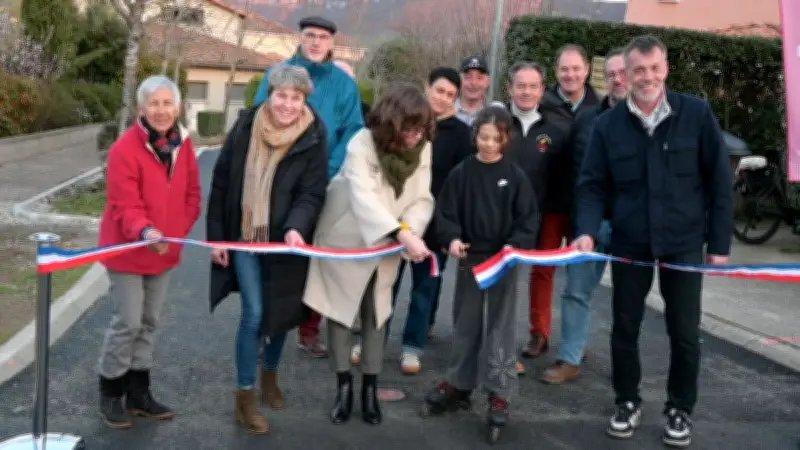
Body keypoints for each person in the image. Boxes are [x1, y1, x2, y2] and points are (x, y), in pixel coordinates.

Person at [574, 35, 733, 448]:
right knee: (625, 327)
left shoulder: (696, 114)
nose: (647, 77)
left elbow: (719, 183)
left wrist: (718, 244)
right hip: (630, 243)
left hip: (682, 242)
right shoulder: (607, 125)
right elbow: (591, 185)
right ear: (626, 73)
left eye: (655, 68)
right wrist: (587, 230)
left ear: (666, 69)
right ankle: (626, 401)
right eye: (638, 69)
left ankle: (680, 409)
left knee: (684, 331)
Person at [303, 83, 435, 426]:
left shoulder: (424, 149)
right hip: (346, 236)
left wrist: (411, 230)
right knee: (341, 314)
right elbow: (362, 196)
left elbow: (422, 198)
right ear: (392, 122)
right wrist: (401, 233)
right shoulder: (362, 142)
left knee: (377, 314)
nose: (415, 135)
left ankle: (370, 390)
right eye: (409, 128)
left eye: (421, 128)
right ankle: (343, 386)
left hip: (390, 240)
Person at [206, 65, 329, 435]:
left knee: (282, 313)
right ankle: (245, 396)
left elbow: (312, 191)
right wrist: (216, 238)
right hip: (245, 235)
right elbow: (223, 180)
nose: (287, 105)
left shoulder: (314, 135)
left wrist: (296, 227)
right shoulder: (246, 126)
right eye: (281, 96)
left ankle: (270, 377)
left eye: (295, 97)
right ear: (270, 94)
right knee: (255, 313)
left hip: (286, 243)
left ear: (304, 98)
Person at [421, 106, 538, 436]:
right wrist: (453, 237)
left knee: (500, 325)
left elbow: (528, 217)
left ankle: (499, 390)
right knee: (466, 321)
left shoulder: (515, 176)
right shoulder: (462, 173)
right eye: (482, 137)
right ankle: (459, 382)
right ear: (475, 137)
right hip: (471, 259)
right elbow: (447, 211)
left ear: (506, 140)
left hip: (503, 261)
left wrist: (515, 245)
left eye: (495, 139)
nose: (488, 144)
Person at [350, 67, 474, 375]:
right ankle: (371, 339)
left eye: (450, 95)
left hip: (432, 224)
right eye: (439, 91)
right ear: (426, 87)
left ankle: (412, 348)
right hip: (391, 223)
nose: (443, 99)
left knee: (425, 290)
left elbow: (456, 185)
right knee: (383, 285)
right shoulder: (378, 135)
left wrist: (446, 227)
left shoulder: (459, 134)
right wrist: (400, 231)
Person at [254, 16, 364, 358]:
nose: (316, 42)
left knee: (316, 256)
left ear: (332, 42)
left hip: (325, 184)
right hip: (277, 181)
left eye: (323, 38)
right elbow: (258, 118)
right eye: (310, 36)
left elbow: (354, 132)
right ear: (300, 38)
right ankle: (262, 327)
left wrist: (326, 172)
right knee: (272, 253)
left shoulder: (344, 85)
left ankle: (309, 330)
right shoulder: (278, 74)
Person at [96, 75, 201, 429]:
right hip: (128, 249)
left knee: (150, 322)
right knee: (128, 321)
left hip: (163, 251)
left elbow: (192, 197)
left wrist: (176, 233)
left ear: (178, 107)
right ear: (142, 108)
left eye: (167, 103)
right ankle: (111, 392)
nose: (160, 110)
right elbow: (125, 206)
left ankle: (139, 394)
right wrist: (147, 231)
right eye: (153, 104)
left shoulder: (183, 145)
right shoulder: (124, 150)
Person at [540, 48, 629, 385]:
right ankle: (571, 357)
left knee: (627, 299)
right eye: (612, 75)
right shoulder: (588, 119)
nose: (618, 80)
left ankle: (625, 363)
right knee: (575, 292)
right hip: (588, 226)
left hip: (629, 228)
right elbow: (572, 170)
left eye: (625, 73)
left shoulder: (648, 122)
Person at [523, 44, 600, 360]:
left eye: (576, 68)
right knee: (544, 270)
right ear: (556, 73)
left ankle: (575, 340)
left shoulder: (601, 106)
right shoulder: (544, 103)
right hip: (551, 201)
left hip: (586, 205)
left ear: (587, 71)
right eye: (564, 69)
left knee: (581, 276)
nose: (570, 74)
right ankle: (538, 333)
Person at [502, 61, 568, 375]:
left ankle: (538, 332)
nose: (526, 92)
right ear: (510, 88)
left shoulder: (556, 131)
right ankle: (497, 339)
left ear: (542, 90)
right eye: (520, 85)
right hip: (503, 217)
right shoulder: (498, 124)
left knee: (542, 273)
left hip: (543, 214)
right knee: (505, 279)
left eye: (533, 86)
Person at [455, 55, 504, 125]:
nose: (473, 83)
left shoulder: (495, 116)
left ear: (488, 82)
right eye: (468, 77)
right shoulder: (445, 112)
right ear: (459, 81)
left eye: (479, 78)